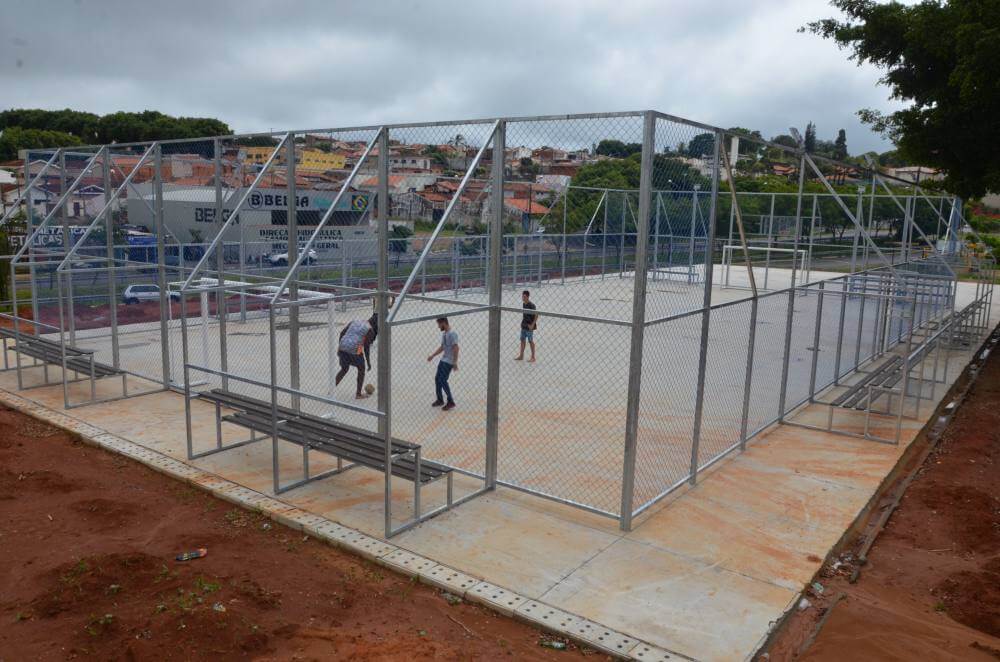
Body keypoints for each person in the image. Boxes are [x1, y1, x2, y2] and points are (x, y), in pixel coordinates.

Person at [335, 314, 377, 399]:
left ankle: (331, 390)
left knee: (344, 369)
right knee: (361, 369)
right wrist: (368, 362)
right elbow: (366, 347)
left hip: (343, 347)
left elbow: (342, 333)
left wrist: (340, 347)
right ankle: (358, 394)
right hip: (353, 350)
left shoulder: (355, 321)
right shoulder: (370, 330)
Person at [427, 317, 458, 410]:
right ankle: (440, 399)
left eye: (439, 324)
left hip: (448, 362)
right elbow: (442, 347)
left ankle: (451, 401)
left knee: (443, 380)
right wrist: (433, 355)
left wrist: (455, 362)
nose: (438, 327)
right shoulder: (445, 334)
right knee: (437, 379)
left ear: (444, 323)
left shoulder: (452, 334)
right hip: (443, 360)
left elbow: (456, 348)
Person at [515, 290, 537, 362]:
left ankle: (533, 357)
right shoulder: (524, 304)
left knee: (530, 341)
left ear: (528, 296)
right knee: (522, 340)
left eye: (524, 296)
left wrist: (532, 325)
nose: (523, 298)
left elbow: (536, 315)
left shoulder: (532, 305)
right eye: (522, 296)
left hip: (529, 326)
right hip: (524, 325)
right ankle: (521, 355)